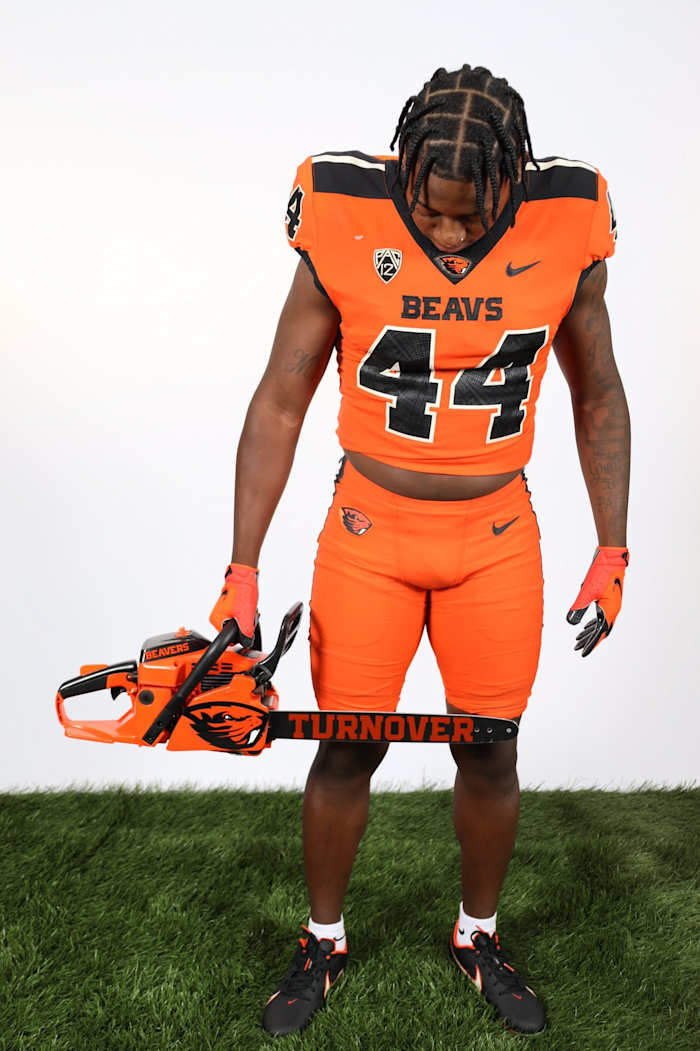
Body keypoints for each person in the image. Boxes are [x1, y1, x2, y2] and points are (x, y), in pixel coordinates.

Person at [210, 64, 630, 1037]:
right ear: (402, 176)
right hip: (368, 532)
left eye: (466, 215)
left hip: (494, 535)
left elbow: (597, 389)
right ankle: (323, 937)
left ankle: (476, 933)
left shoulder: (567, 221)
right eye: (430, 213)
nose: (445, 232)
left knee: (490, 749)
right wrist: (241, 566)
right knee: (343, 748)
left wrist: (612, 548)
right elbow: (281, 395)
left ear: (511, 182)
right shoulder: (343, 211)